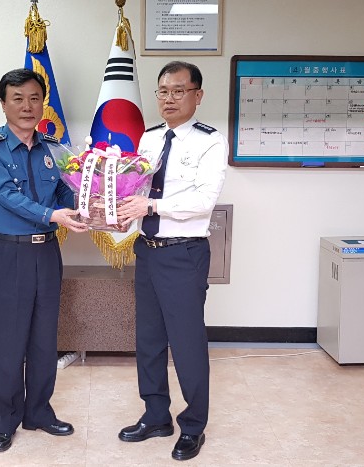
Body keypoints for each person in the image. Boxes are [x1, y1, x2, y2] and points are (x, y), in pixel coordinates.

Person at [0, 68, 88, 453]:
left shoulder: (55, 149)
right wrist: (54, 215)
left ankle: (38, 411)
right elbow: (7, 196)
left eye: (34, 98)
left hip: (46, 251)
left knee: (43, 337)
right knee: (9, 339)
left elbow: (66, 196)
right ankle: (4, 421)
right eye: (17, 99)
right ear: (3, 104)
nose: (27, 106)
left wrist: (92, 203)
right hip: (8, 252)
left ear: (43, 103)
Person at [116, 61, 228, 461]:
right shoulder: (148, 138)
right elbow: (136, 189)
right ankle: (156, 415)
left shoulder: (211, 142)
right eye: (163, 91)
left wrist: (151, 206)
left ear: (198, 95)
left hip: (183, 253)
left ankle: (193, 426)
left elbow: (204, 201)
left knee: (186, 343)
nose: (169, 99)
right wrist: (115, 210)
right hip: (147, 249)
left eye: (179, 91)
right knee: (148, 339)